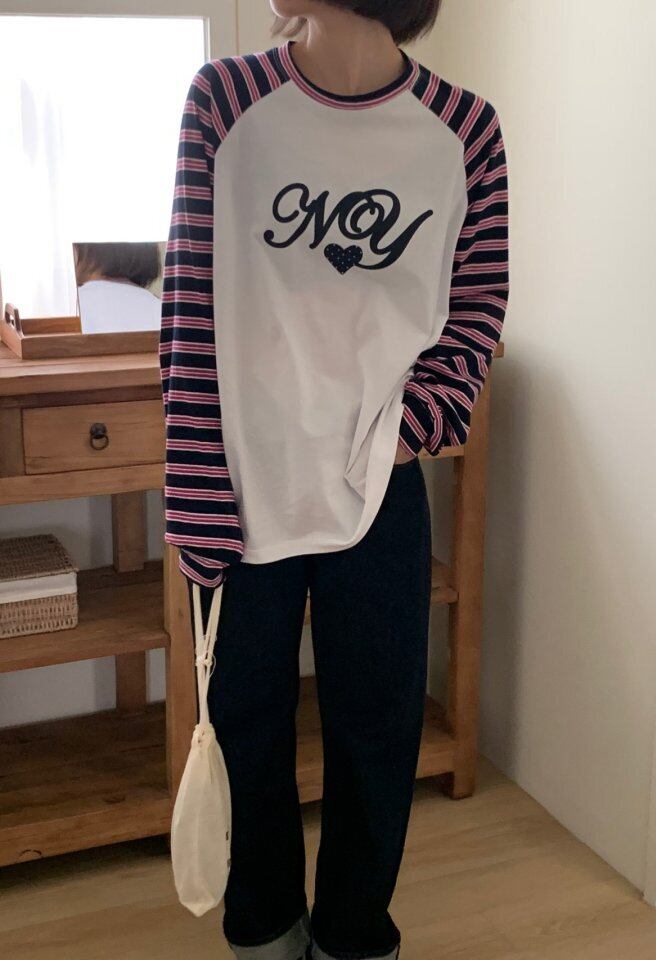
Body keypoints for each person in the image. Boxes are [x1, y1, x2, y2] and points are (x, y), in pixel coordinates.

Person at [159, 2, 509, 958]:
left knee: (378, 732)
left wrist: (410, 430)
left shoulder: (464, 130)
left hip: (378, 487)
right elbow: (189, 306)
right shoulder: (225, 102)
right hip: (243, 481)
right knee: (245, 725)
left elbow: (477, 306)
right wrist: (195, 489)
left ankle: (354, 937)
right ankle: (265, 933)